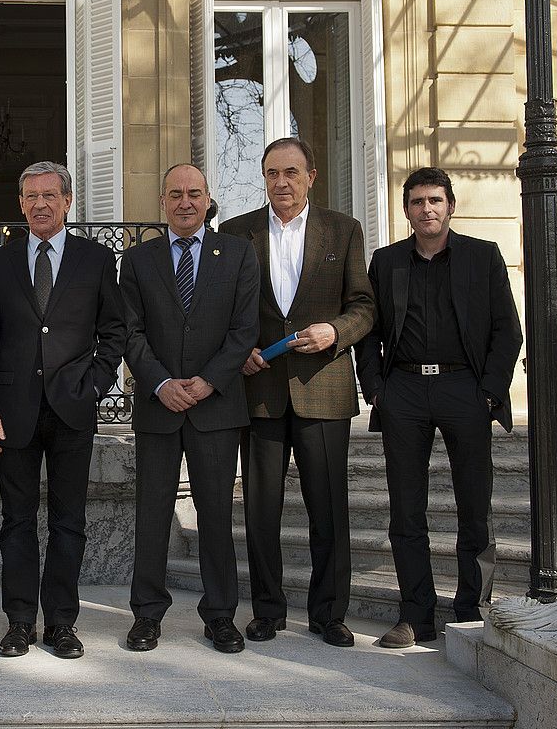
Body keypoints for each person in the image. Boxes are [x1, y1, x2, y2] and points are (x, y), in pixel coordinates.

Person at [355, 167, 522, 648]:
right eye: (416, 202)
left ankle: (472, 611)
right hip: (403, 391)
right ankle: (416, 616)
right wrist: (377, 390)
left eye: (435, 200)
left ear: (450, 205)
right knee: (406, 511)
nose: (426, 209)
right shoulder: (387, 263)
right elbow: (368, 331)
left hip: (464, 391)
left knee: (475, 507)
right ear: (405, 210)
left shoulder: (482, 257)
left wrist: (488, 393)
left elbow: (506, 331)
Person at [220, 137, 375, 648]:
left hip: (324, 387)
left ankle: (329, 613)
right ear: (262, 178)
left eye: (291, 173)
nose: (281, 183)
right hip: (260, 389)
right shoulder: (236, 233)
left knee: (328, 509)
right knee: (261, 511)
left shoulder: (343, 230)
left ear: (312, 176)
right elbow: (224, 312)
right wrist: (236, 350)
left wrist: (336, 331)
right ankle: (267, 610)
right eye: (271, 173)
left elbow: (364, 307)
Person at [0, 161, 126, 659]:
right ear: (20, 204)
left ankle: (62, 622)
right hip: (13, 412)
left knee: (70, 522)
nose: (40, 204)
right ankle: (20, 621)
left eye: (49, 195)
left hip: (73, 408)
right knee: (16, 522)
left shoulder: (96, 259)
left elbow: (115, 331)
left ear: (67, 201)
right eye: (30, 196)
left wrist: (96, 386)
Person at [119, 164, 259, 653]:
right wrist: (158, 383)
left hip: (216, 408)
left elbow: (244, 330)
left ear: (207, 199)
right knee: (152, 515)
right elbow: (130, 333)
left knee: (217, 516)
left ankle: (221, 615)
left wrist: (206, 382)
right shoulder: (137, 261)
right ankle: (147, 616)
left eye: (194, 193)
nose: (185, 202)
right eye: (175, 193)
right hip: (158, 408)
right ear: (162, 201)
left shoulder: (239, 254)